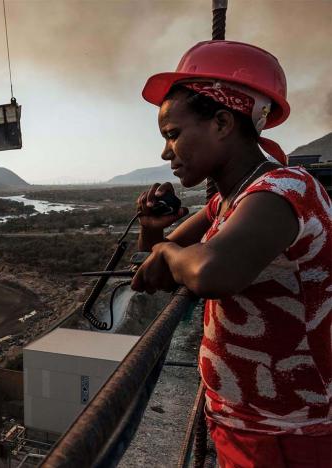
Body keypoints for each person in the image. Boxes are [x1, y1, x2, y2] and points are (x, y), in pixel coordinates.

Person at [131, 40, 332, 468]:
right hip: (246, 424)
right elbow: (162, 265)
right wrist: (154, 230)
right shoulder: (227, 202)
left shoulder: (284, 191)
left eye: (173, 134)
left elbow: (210, 272)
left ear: (222, 122)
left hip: (288, 433)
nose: (167, 152)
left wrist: (168, 250)